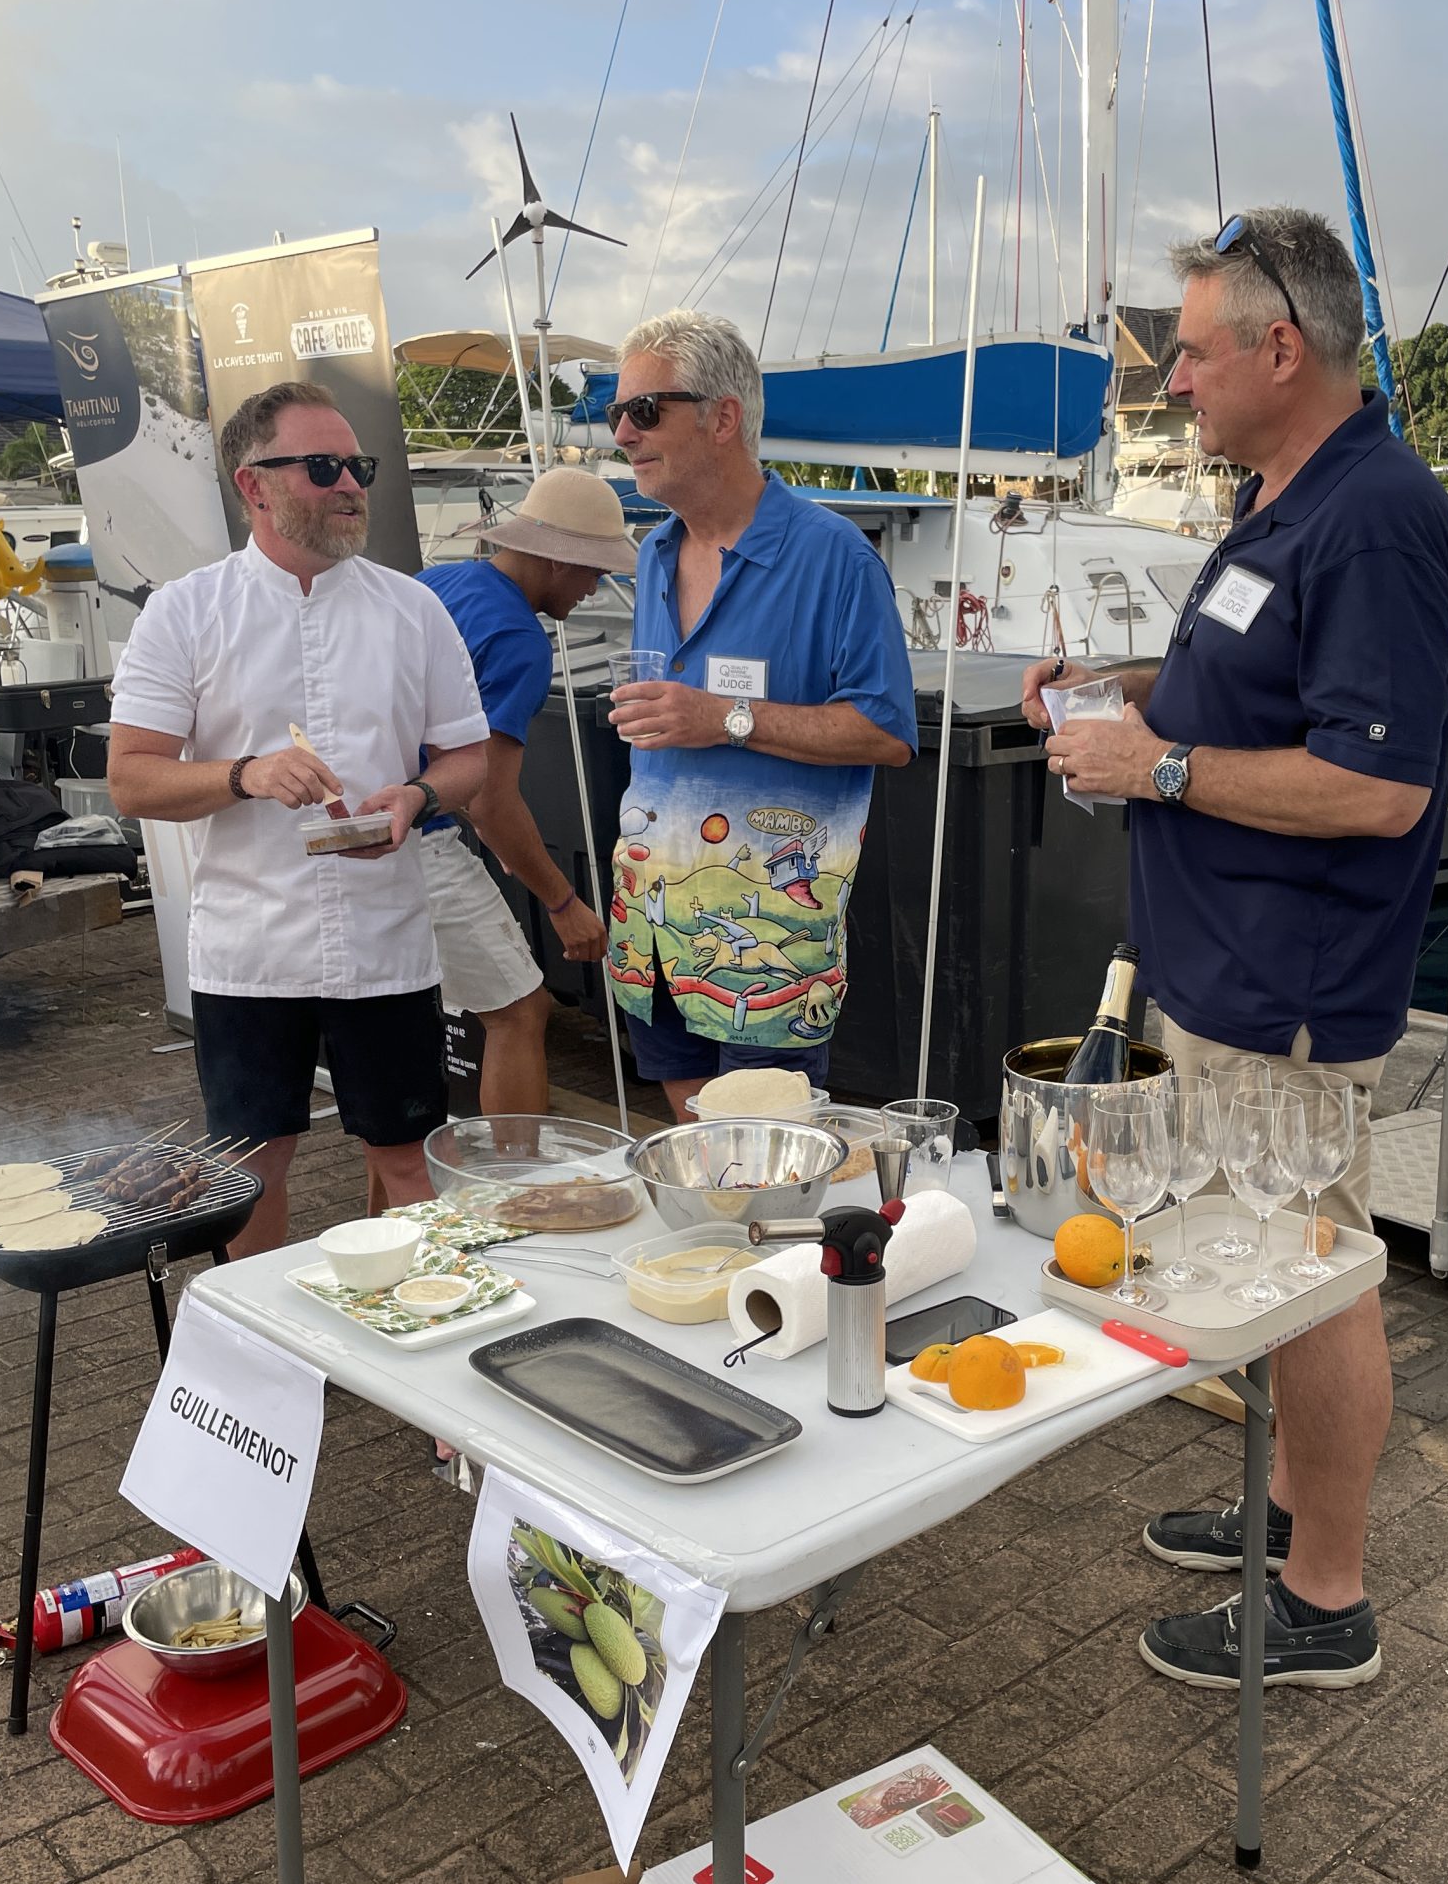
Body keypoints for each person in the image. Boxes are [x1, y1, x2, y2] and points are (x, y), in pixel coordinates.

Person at [1024, 208, 1448, 1692]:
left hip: (1292, 985)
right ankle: (1284, 1513)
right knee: (1265, 1259)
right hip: (1223, 969)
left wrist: (1151, 768)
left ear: (1283, 350)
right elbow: (1243, 683)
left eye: (1194, 355)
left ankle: (1327, 1596)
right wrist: (1117, 693)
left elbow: (1378, 786)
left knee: (1316, 1276)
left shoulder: (1376, 518)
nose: (1173, 383)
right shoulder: (1284, 495)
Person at [107, 380, 490, 1258]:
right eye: (324, 467)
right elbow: (130, 779)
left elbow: (469, 757)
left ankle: (417, 1324)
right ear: (254, 484)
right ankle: (257, 1339)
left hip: (384, 936)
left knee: (409, 1157)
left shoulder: (413, 609)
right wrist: (245, 774)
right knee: (249, 1169)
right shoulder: (187, 610)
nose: (351, 484)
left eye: (359, 466)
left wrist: (418, 797)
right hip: (250, 944)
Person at [601, 309, 917, 1119]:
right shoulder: (654, 553)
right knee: (693, 1147)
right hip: (652, 928)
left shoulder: (836, 558)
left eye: (645, 410)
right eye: (617, 412)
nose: (624, 433)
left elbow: (886, 732)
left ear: (723, 418)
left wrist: (724, 718)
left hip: (771, 946)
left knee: (761, 1160)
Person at [415, 465, 635, 1114]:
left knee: (405, 1020)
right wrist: (563, 901)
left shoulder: (437, 582)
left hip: (359, 823)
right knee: (519, 1010)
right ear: (559, 559)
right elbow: (489, 798)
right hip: (418, 834)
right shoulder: (519, 639)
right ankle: (518, 1173)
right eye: (595, 570)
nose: (595, 588)